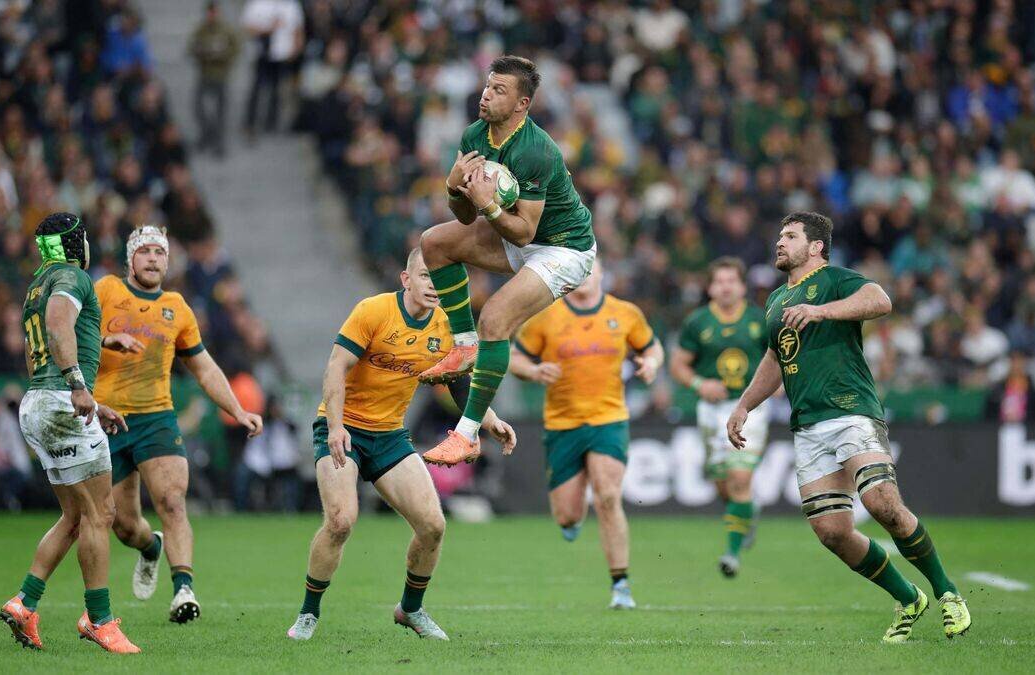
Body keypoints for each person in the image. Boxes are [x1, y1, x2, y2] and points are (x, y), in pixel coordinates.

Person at [727, 212, 971, 643]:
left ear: (816, 246)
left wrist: (821, 311)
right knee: (832, 532)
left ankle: (948, 592)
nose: (779, 242)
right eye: (779, 234)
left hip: (852, 410)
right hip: (807, 424)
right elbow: (774, 359)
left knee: (881, 503)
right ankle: (908, 598)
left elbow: (881, 301)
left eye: (790, 236)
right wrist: (744, 405)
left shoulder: (836, 279)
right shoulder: (775, 301)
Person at [287, 248, 517, 642]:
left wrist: (489, 421)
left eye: (439, 279)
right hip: (341, 427)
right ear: (406, 279)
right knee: (341, 521)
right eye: (425, 276)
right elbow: (335, 368)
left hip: (390, 435)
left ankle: (410, 609)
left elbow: (459, 381)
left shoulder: (447, 327)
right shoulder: (373, 311)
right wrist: (338, 426)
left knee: (433, 526)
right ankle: (308, 614)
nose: (433, 285)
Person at [417, 56, 597, 466]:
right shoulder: (474, 135)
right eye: (487, 86)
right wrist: (453, 190)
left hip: (563, 248)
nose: (485, 95)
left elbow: (525, 232)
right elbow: (464, 217)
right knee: (434, 242)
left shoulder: (537, 150)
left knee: (495, 319)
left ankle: (466, 435)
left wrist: (487, 205)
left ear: (522, 104)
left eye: (499, 90)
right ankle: (463, 348)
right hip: (511, 234)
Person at [94, 225, 263, 624]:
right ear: (130, 259)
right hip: (108, 420)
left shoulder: (177, 307)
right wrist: (104, 342)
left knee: (172, 500)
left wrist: (237, 410)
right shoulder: (105, 292)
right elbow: (74, 334)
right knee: (122, 524)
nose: (153, 258)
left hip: (156, 416)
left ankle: (183, 589)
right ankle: (150, 547)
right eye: (145, 251)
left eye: (160, 252)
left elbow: (202, 366)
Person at [0, 212, 140, 654]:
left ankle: (25, 602)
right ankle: (99, 620)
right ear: (77, 242)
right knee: (102, 514)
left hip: (38, 404)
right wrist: (80, 388)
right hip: (62, 401)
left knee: (76, 517)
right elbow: (61, 324)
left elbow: (43, 348)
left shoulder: (36, 286)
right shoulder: (72, 277)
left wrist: (91, 398)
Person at [508, 258, 662, 609]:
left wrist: (651, 362)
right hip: (562, 424)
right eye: (578, 271)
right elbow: (515, 359)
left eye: (589, 269)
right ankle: (571, 520)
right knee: (567, 514)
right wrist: (533, 372)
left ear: (601, 274)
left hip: (609, 419)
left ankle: (621, 585)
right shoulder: (546, 316)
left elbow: (652, 347)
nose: (584, 276)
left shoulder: (625, 313)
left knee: (608, 495)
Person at [670, 257, 769, 578]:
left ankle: (732, 554)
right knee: (723, 485)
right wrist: (700, 383)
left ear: (742, 286)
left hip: (750, 408)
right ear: (710, 287)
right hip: (711, 411)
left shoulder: (759, 319)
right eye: (719, 281)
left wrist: (776, 385)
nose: (726, 287)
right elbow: (678, 365)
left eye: (732, 281)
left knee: (740, 478)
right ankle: (747, 511)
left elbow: (780, 358)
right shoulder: (697, 322)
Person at [241, 0, 303, 136]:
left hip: (281, 55)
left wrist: (296, 49)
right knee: (257, 88)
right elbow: (248, 28)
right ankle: (250, 121)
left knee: (276, 88)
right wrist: (269, 28)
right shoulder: (257, 4)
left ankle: (271, 122)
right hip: (262, 54)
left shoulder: (291, 5)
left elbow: (298, 29)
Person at [188, 1, 240, 157]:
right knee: (198, 107)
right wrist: (201, 52)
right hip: (205, 73)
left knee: (221, 111)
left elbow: (236, 48)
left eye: (214, 12)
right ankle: (207, 134)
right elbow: (191, 48)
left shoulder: (226, 30)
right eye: (210, 13)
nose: (212, 16)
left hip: (220, 74)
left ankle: (219, 143)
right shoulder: (201, 30)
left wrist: (224, 55)